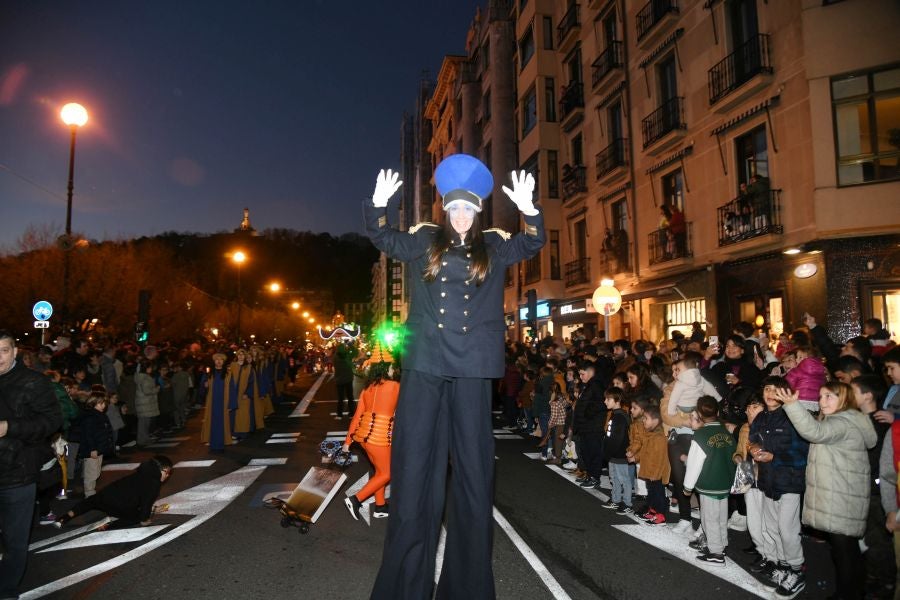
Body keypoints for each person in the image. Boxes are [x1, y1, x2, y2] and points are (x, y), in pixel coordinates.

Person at [364, 155, 544, 599]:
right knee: (413, 470)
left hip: (471, 369)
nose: (462, 216)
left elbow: (531, 245)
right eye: (455, 209)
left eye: (469, 209)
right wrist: (377, 205)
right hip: (426, 362)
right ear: (445, 210)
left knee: (473, 474)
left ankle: (467, 589)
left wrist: (530, 210)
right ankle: (405, 587)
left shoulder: (494, 246)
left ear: (478, 212)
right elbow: (382, 237)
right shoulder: (424, 241)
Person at [776, 382, 877, 600]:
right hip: (841, 493)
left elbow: (814, 432)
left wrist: (793, 406)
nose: (822, 401)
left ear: (845, 399)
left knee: (844, 551)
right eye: (821, 396)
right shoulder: (845, 421)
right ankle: (852, 592)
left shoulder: (843, 423)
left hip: (841, 495)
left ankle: (846, 595)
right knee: (846, 550)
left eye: (829, 396)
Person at [0, 330, 63, 598]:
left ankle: (7, 590)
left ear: (15, 352)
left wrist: (9, 427)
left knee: (15, 541)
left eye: (3, 350)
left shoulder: (33, 382)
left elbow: (52, 422)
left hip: (17, 475)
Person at [749, 377, 809, 597]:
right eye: (766, 389)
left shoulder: (793, 416)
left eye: (775, 390)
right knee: (773, 527)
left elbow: (803, 453)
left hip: (789, 481)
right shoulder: (762, 417)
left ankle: (797, 570)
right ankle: (784, 568)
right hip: (768, 480)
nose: (770, 393)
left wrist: (775, 456)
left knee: (787, 529)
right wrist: (754, 448)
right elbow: (752, 438)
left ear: (785, 393)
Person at [343, 344, 399, 521]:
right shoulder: (395, 386)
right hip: (380, 437)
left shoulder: (367, 389)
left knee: (380, 471)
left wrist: (347, 442)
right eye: (391, 365)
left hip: (364, 438)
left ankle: (380, 506)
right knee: (387, 473)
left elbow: (356, 417)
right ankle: (356, 499)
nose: (393, 368)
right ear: (386, 367)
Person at [683, 395, 737, 566]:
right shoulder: (727, 433)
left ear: (699, 413)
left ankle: (716, 553)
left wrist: (687, 486)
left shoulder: (700, 435)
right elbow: (734, 457)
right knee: (721, 516)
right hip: (725, 482)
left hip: (709, 483)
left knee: (709, 519)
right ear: (718, 411)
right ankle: (721, 544)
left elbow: (694, 464)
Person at [55, 455, 173, 529]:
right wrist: (145, 520)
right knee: (136, 517)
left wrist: (154, 509)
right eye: (166, 472)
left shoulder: (141, 473)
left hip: (107, 494)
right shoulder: (154, 483)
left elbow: (140, 496)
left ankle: (64, 517)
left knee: (90, 502)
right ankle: (108, 527)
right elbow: (145, 504)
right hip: (120, 505)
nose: (167, 476)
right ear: (159, 469)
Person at [632, 405, 671, 524]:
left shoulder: (659, 438)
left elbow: (661, 458)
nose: (643, 420)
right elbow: (644, 451)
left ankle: (661, 516)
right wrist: (636, 457)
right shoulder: (650, 435)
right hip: (650, 471)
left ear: (656, 421)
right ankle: (653, 511)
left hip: (656, 474)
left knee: (658, 494)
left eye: (646, 418)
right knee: (651, 493)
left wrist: (656, 473)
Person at [78, 390, 115, 498]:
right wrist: (92, 449)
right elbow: (88, 435)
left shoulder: (99, 415)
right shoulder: (90, 417)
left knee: (96, 471)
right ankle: (89, 493)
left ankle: (91, 491)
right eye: (101, 403)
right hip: (93, 449)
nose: (104, 405)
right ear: (93, 402)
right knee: (91, 472)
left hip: (100, 448)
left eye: (104, 403)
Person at [601, 388, 631, 514]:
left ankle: (627, 503)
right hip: (613, 454)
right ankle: (616, 499)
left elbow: (618, 439)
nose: (605, 401)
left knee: (624, 479)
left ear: (617, 400)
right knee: (614, 478)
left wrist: (608, 452)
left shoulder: (621, 417)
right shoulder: (615, 414)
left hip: (619, 454)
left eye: (608, 399)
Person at [200, 353, 232, 452]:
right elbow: (202, 386)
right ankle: (213, 443)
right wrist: (205, 385)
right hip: (212, 402)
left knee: (222, 423)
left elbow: (232, 389)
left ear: (223, 362)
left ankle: (221, 443)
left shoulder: (228, 373)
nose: (218, 361)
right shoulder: (210, 373)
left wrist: (231, 403)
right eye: (216, 360)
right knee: (212, 422)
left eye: (221, 359)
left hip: (223, 401)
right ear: (214, 362)